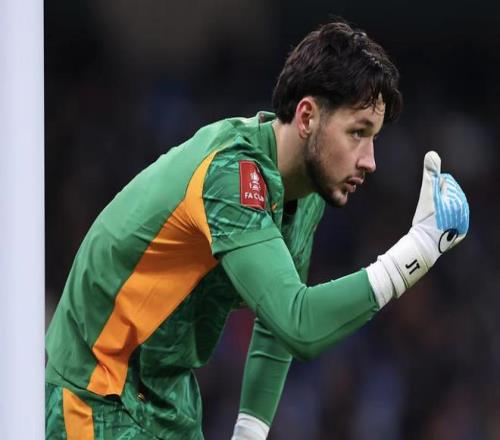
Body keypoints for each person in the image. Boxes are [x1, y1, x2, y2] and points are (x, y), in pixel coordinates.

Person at [45, 21, 469, 440]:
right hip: (98, 392)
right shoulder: (230, 175)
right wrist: (417, 250)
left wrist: (250, 432)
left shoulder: (306, 190)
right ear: (307, 116)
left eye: (373, 138)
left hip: (168, 399)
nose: (370, 160)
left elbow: (274, 321)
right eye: (357, 133)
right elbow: (298, 323)